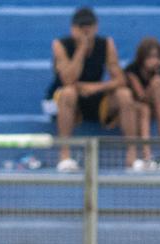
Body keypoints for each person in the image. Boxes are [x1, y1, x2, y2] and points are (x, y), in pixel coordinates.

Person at [47, 7, 137, 171]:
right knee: (67, 93)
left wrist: (96, 87)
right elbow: (68, 79)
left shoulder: (106, 44)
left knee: (125, 95)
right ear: (73, 28)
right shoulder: (60, 45)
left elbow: (120, 79)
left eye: (89, 26)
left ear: (96, 26)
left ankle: (132, 154)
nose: (86, 30)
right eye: (81, 27)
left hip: (97, 97)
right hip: (71, 101)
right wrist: (81, 49)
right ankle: (65, 155)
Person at [124, 37, 160, 173]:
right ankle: (146, 156)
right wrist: (154, 83)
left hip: (153, 104)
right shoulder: (132, 69)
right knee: (144, 110)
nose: (153, 60)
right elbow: (141, 96)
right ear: (142, 57)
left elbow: (159, 98)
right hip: (135, 105)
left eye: (156, 57)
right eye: (149, 57)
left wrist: (158, 79)